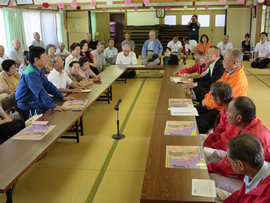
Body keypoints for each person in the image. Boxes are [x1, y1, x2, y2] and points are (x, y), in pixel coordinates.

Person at [208, 97, 270, 194]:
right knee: (213, 155)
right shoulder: (247, 124)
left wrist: (208, 168)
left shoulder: (251, 136)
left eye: (229, 111)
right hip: (246, 168)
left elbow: (230, 166)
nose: (226, 113)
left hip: (252, 180)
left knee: (211, 177)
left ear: (239, 118)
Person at [195, 49, 249, 134]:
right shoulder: (228, 72)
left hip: (224, 110)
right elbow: (215, 86)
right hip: (215, 103)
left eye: (226, 59)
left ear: (235, 63)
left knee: (199, 122)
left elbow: (224, 100)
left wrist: (207, 102)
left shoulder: (238, 80)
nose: (222, 61)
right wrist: (207, 99)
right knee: (194, 110)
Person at [15, 46, 74, 119]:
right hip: (29, 107)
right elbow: (40, 91)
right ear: (36, 59)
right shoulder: (30, 73)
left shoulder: (37, 70)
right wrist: (53, 106)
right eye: (44, 57)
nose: (47, 59)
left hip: (37, 103)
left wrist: (61, 96)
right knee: (53, 118)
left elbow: (48, 85)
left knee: (63, 113)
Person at [217, 134, 270, 203]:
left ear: (240, 165)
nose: (228, 163)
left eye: (229, 161)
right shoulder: (253, 170)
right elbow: (241, 195)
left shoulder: (266, 194)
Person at [200, 82, 238, 162]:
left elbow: (226, 143)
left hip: (230, 150)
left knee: (201, 153)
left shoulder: (233, 115)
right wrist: (208, 142)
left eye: (211, 97)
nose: (211, 99)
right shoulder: (226, 107)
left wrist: (208, 145)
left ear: (218, 99)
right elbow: (219, 130)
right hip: (221, 143)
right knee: (198, 139)